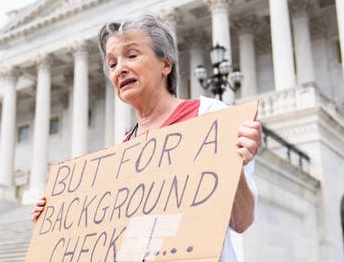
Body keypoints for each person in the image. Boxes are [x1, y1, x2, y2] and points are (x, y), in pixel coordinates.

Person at [31, 14, 262, 261]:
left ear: (166, 64)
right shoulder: (122, 149)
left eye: (131, 55)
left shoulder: (209, 116)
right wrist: (58, 218)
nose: (120, 68)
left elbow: (242, 220)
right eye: (112, 64)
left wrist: (231, 164)